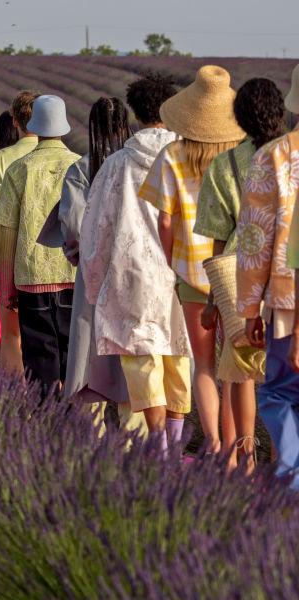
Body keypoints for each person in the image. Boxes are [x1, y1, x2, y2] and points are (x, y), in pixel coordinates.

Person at [139, 65, 246, 455]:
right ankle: (236, 447)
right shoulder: (240, 156)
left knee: (202, 365)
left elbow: (164, 219)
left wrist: (171, 262)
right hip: (235, 270)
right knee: (234, 369)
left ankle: (214, 442)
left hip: (190, 272)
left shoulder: (171, 154)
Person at [80, 72, 189, 452]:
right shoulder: (187, 158)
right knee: (178, 355)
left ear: (137, 113)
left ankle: (158, 448)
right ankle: (175, 444)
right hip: (182, 271)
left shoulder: (116, 165)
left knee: (144, 362)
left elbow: (96, 229)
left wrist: (95, 287)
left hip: (133, 275)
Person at [195, 78, 286, 471]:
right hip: (287, 270)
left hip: (239, 273)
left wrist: (213, 301)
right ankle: (285, 459)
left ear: (239, 118)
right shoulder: (291, 156)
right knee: (286, 373)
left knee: (241, 372)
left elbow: (216, 240)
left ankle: (246, 460)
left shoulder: (224, 165)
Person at [50, 97, 140, 433]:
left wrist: (76, 255)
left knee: (90, 358)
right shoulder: (140, 165)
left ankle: (94, 440)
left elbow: (72, 223)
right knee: (133, 357)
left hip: (93, 273)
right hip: (134, 272)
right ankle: (137, 441)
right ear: (124, 126)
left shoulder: (82, 168)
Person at [0, 95, 81, 394]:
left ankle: (45, 425)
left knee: (39, 362)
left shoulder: (19, 169)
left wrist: (6, 287)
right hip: (73, 278)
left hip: (31, 279)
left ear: (33, 125)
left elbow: (7, 232)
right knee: (73, 360)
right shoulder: (79, 166)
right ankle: (76, 430)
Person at [238, 63, 299, 487]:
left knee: (278, 389)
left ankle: (292, 476)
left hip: (287, 300)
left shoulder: (273, 156)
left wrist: (248, 309)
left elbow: (254, 241)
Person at [0, 91, 40, 373]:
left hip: (15, 262)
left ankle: (21, 407)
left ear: (14, 121)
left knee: (12, 337)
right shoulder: (71, 159)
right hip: (59, 265)